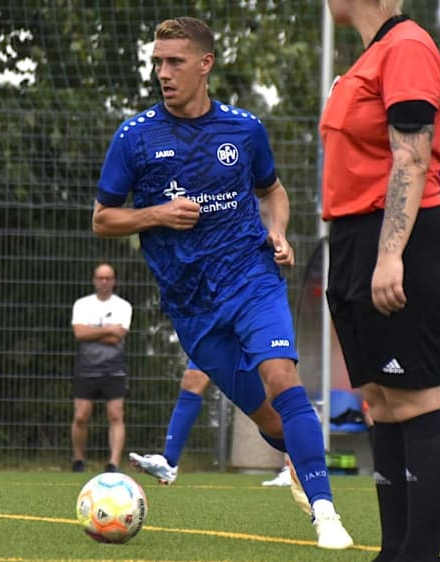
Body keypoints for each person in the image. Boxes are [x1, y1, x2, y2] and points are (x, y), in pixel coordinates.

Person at [93, 17, 353, 550]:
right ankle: (299, 465)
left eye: (175, 62)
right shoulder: (134, 136)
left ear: (205, 64)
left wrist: (277, 232)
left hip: (252, 278)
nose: (163, 73)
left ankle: (326, 512)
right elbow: (103, 218)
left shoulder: (244, 129)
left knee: (284, 380)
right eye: (158, 62)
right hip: (191, 306)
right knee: (266, 415)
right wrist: (158, 215)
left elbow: (273, 191)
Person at [320, 1, 440, 560]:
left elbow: (411, 157)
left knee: (415, 399)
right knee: (380, 400)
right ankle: (394, 550)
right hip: (357, 238)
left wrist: (389, 254)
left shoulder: (406, 46)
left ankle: (419, 554)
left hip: (400, 239)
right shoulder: (371, 55)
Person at [128, 364, 295, 488]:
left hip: (247, 321)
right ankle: (169, 463)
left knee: (270, 400)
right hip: (219, 323)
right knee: (193, 378)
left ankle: (300, 462)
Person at [70, 262, 133, 473]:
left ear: (114, 281)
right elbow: (79, 334)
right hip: (86, 368)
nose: (104, 282)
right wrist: (107, 330)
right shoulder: (82, 304)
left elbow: (119, 336)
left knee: (116, 414)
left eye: (108, 278)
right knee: (81, 415)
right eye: (100, 277)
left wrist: (93, 332)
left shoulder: (123, 306)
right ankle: (78, 460)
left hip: (114, 368)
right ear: (94, 280)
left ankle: (113, 463)